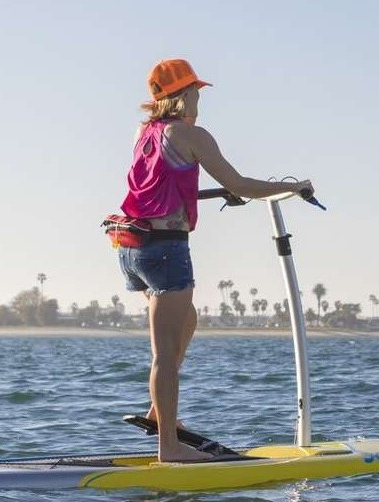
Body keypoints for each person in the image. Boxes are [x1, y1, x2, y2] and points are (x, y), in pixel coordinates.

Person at [117, 58, 313, 462]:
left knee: (186, 320)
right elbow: (240, 183)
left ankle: (158, 413)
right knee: (164, 352)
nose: (199, 98)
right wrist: (295, 188)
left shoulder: (144, 132)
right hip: (166, 249)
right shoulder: (192, 135)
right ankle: (169, 448)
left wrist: (218, 193)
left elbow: (162, 184)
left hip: (132, 247)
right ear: (184, 93)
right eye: (196, 90)